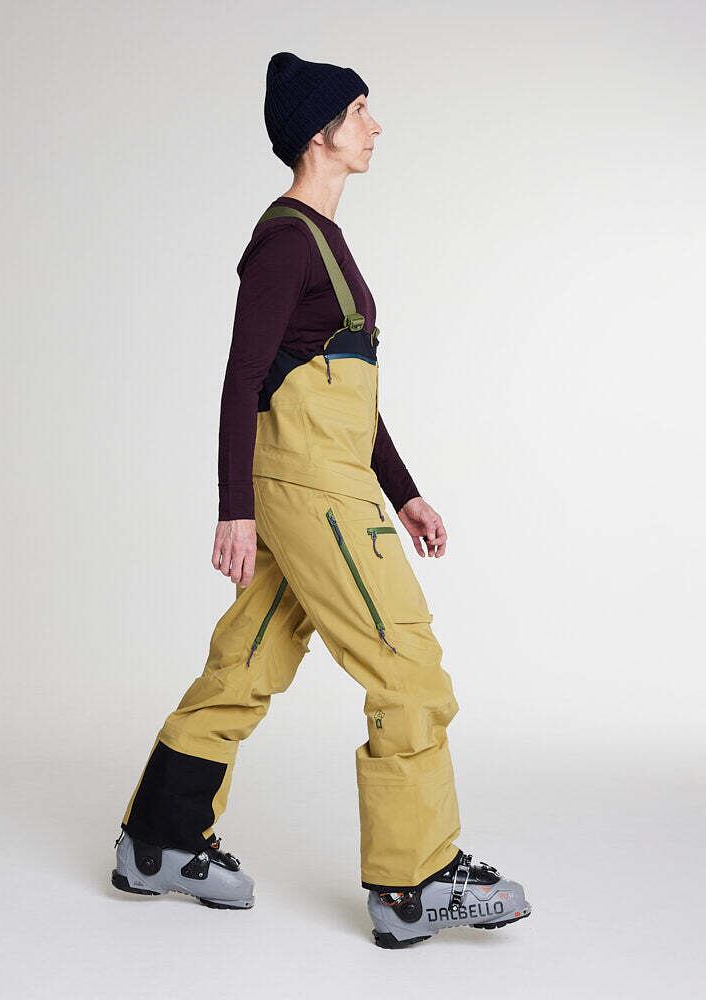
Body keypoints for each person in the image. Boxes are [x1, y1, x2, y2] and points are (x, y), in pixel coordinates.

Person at [111, 51, 531, 948]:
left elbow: (342, 387)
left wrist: (404, 492)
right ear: (320, 133)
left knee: (247, 660)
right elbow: (242, 378)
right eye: (361, 111)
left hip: (325, 482)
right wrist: (234, 506)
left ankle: (158, 843)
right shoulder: (287, 240)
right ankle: (415, 881)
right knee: (406, 662)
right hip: (313, 490)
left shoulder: (323, 240)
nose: (375, 127)